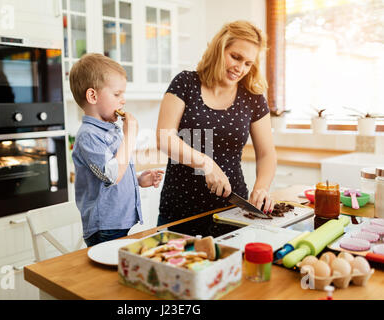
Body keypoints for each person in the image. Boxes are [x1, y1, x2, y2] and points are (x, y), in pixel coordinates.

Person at [156, 20, 277, 226]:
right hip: (180, 207)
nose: (240, 68)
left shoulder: (252, 98)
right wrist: (206, 163)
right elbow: (164, 138)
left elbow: (267, 154)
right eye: (236, 57)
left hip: (233, 209)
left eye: (248, 63)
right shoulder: (185, 83)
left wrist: (261, 188)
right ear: (219, 49)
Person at [69, 53, 164, 246]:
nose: (123, 100)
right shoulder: (88, 135)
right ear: (92, 96)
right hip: (105, 226)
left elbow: (111, 174)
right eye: (117, 94)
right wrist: (130, 136)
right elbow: (110, 176)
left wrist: (136, 180)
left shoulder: (110, 130)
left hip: (118, 222)